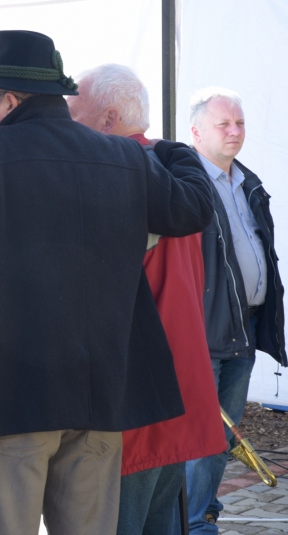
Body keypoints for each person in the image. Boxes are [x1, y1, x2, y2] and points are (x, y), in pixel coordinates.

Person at [0, 30, 214, 535]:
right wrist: (173, 149)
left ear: (10, 100)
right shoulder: (123, 157)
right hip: (100, 392)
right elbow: (191, 209)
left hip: (13, 395)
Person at [67, 64, 227, 535]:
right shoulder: (172, 170)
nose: (64, 124)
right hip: (179, 384)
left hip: (137, 395)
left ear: (109, 118)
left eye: (74, 113)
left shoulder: (116, 175)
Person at [184, 87, 286, 533]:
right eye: (223, 124)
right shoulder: (186, 183)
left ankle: (203, 514)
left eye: (240, 123)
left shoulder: (248, 182)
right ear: (196, 131)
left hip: (242, 327)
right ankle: (191, 522)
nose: (234, 131)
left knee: (222, 436)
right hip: (202, 330)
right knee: (198, 435)